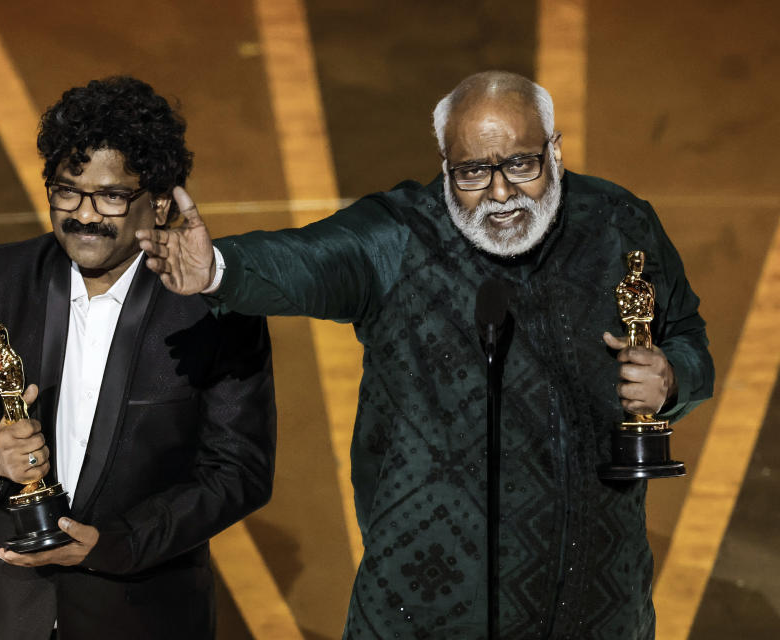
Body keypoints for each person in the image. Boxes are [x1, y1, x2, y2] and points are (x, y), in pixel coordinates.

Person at [136, 71, 714, 639]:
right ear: (445, 166)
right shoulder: (399, 237)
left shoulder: (619, 224)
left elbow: (687, 338)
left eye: (520, 164)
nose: (500, 193)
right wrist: (218, 269)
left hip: (599, 605)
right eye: (472, 172)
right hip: (426, 609)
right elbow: (310, 259)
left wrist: (671, 378)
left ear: (554, 152)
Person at [0, 76, 276, 639]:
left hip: (140, 609)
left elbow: (238, 473)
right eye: (67, 190)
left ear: (157, 198)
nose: (83, 215)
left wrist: (116, 543)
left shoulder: (214, 308)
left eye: (110, 196)